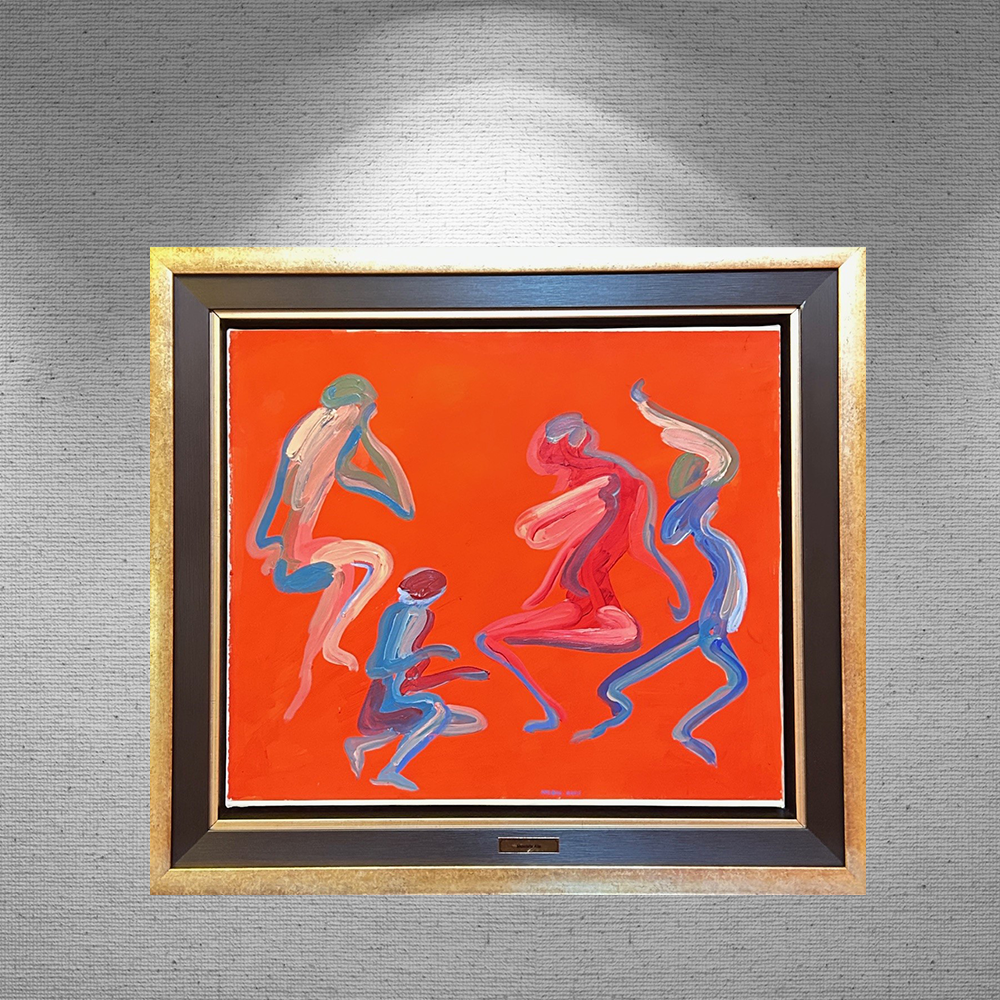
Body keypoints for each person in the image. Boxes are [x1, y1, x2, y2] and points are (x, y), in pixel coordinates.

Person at [572, 380, 748, 766]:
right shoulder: (701, 510)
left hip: (713, 613)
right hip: (715, 615)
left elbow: (671, 532)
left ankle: (632, 707)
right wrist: (651, 410)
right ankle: (681, 729)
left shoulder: (695, 516)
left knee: (652, 669)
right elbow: (717, 462)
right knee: (736, 679)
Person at [476, 412, 688, 733]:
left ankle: (555, 706)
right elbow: (580, 546)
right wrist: (545, 586)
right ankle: (551, 710)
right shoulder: (598, 486)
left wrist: (675, 584)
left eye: (555, 457)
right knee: (489, 638)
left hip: (600, 606)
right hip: (577, 601)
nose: (557, 469)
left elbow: (637, 547)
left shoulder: (613, 482)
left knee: (619, 632)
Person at [246, 374, 415, 720]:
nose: (364, 416)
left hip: (303, 548)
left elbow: (402, 502)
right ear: (347, 408)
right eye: (363, 410)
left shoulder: (334, 448)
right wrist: (267, 547)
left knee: (373, 562)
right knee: (362, 566)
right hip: (296, 558)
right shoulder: (308, 451)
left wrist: (367, 435)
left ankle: (328, 645)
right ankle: (328, 646)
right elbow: (277, 501)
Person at [344, 568, 488, 791]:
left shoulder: (426, 617)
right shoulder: (399, 614)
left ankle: (362, 744)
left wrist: (458, 673)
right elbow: (377, 669)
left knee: (473, 721)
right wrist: (430, 652)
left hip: (401, 698)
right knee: (437, 711)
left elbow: (411, 684)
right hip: (383, 701)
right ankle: (390, 770)